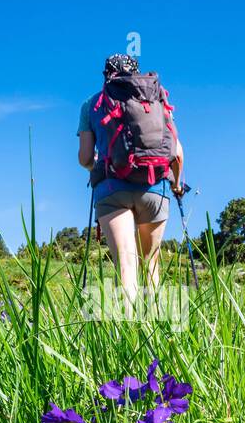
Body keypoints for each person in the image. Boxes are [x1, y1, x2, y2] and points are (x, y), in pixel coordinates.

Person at [77, 54, 183, 303]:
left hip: (112, 189)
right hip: (155, 187)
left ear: (106, 75)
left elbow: (84, 159)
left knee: (126, 264)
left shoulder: (92, 104)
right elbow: (176, 152)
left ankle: (129, 335)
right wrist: (177, 185)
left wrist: (99, 165)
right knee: (151, 265)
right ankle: (158, 332)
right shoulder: (156, 99)